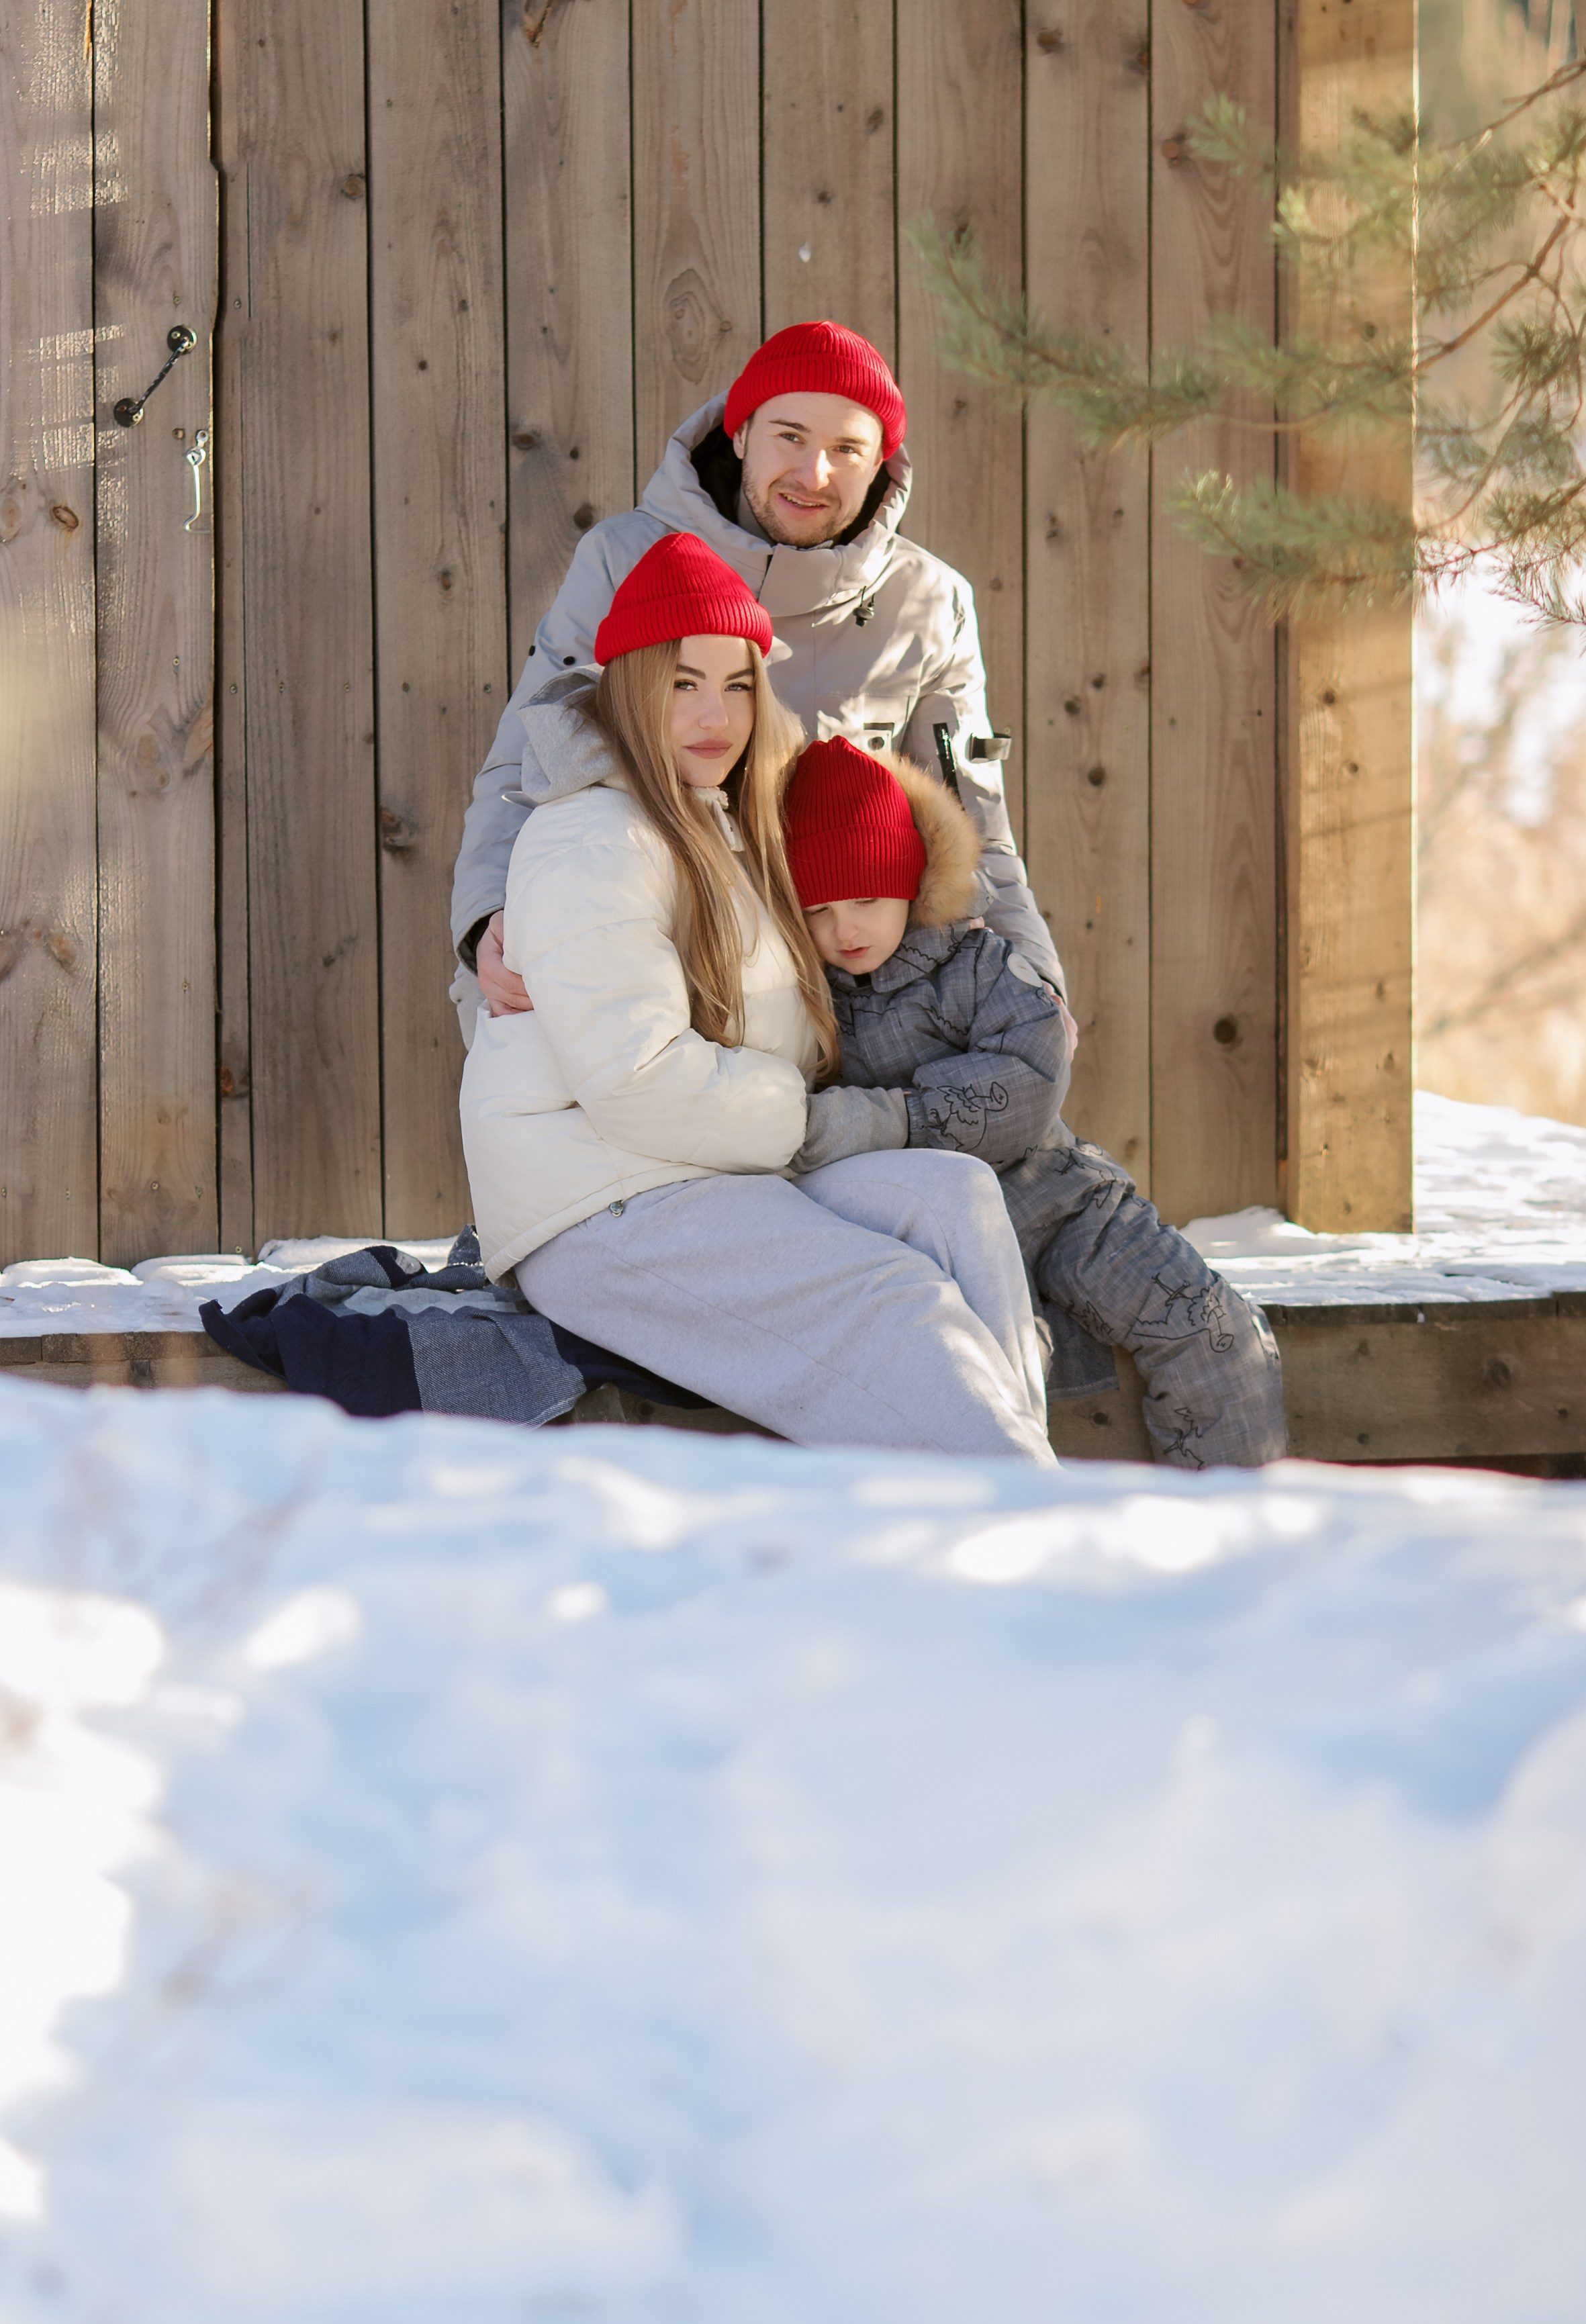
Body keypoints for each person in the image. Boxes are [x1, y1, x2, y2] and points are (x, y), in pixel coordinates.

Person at [459, 531, 1058, 1465]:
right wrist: (809, 1121)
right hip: (601, 1201)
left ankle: (1006, 1494)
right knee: (891, 1295)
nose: (715, 714)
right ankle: (1033, 1526)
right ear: (629, 688)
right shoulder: (591, 837)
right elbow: (638, 1080)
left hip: (715, 1167)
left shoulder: (727, 822)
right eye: (682, 682)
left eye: (737, 683)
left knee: (954, 1196)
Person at [451, 319, 1063, 1039]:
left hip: (858, 992)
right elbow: (528, 757)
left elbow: (972, 819)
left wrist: (1033, 977)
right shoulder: (624, 558)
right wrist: (488, 919)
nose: (813, 475)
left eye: (847, 449)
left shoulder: (929, 600)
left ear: (881, 466)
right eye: (790, 437)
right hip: (650, 958)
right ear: (739, 434)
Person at [780, 736, 1289, 1469]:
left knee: (1207, 1325)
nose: (846, 929)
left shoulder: (975, 962)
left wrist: (899, 1118)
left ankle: (1225, 1522)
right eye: (819, 908)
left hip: (1064, 1204)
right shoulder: (805, 1001)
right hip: (935, 1246)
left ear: (912, 880)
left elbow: (1032, 1064)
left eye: (865, 897)